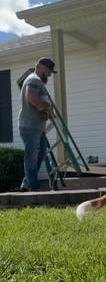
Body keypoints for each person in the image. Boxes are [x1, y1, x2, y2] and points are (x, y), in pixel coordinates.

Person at [18, 57, 56, 192]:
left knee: (40, 155)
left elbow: (36, 99)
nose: (50, 75)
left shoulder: (37, 80)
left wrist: (47, 110)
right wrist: (45, 108)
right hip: (30, 126)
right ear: (41, 68)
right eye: (49, 72)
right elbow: (31, 97)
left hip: (36, 126)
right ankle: (33, 188)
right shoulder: (34, 79)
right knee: (32, 156)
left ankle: (26, 183)